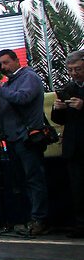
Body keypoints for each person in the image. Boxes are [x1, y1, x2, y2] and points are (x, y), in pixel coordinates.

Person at [0, 49, 48, 236]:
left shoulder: (29, 77)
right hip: (12, 138)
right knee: (21, 181)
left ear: (17, 61)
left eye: (6, 63)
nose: (2, 67)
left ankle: (39, 219)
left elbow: (22, 98)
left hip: (26, 138)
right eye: (0, 64)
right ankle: (27, 218)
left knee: (34, 180)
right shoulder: (8, 82)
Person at [51, 50, 84, 238]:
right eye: (70, 70)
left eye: (77, 69)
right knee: (77, 189)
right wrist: (59, 109)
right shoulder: (69, 88)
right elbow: (60, 120)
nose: (74, 73)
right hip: (74, 147)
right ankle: (80, 225)